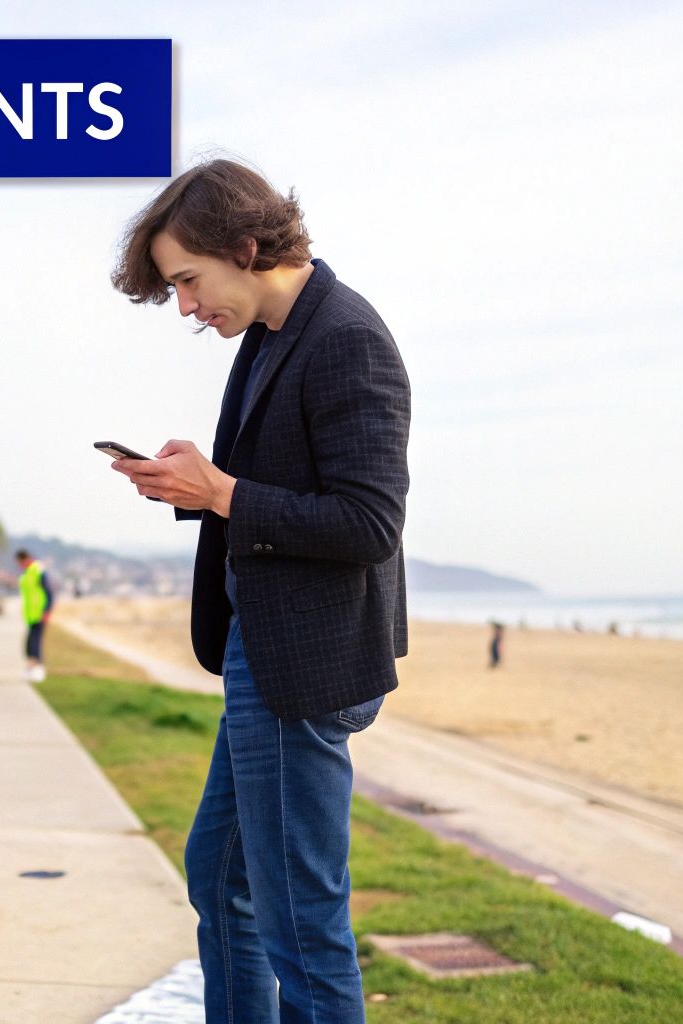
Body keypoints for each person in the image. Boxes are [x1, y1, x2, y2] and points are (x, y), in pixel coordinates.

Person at [107, 158, 411, 1024]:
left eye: (188, 281)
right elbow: (277, 487)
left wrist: (222, 493)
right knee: (223, 879)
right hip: (265, 656)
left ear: (245, 247)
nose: (187, 308)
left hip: (302, 670)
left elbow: (367, 522)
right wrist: (193, 484)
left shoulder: (346, 336)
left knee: (301, 924)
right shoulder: (275, 336)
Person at [15, 549, 54, 683]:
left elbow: (49, 593)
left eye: (19, 562)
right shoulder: (27, 573)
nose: (19, 565)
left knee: (35, 642)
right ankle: (31, 667)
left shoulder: (38, 570)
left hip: (39, 613)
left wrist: (47, 611)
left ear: (24, 559)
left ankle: (38, 668)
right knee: (30, 643)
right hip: (31, 614)